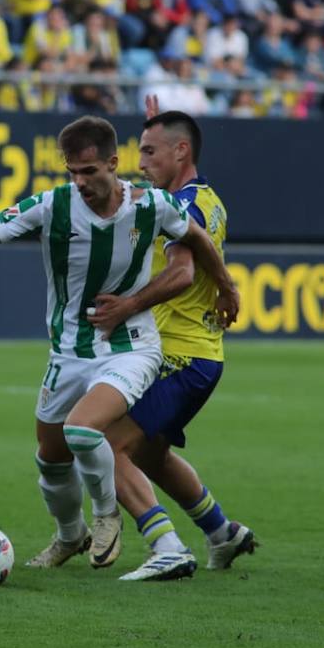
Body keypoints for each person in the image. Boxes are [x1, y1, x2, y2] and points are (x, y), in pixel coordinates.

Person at [0, 117, 238, 571]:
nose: (80, 182)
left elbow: (196, 239)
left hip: (131, 347)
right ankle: (70, 535)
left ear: (112, 163)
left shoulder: (152, 204)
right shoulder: (52, 206)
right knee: (50, 457)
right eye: (72, 172)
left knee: (85, 430)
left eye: (89, 171)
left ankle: (108, 516)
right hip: (68, 352)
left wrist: (227, 286)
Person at [99, 100, 257, 581]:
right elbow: (206, 260)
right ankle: (221, 532)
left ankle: (164, 544)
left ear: (181, 151)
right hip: (195, 356)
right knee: (150, 454)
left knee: (102, 443)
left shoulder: (184, 205)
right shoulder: (203, 200)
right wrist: (228, 284)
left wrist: (128, 306)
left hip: (181, 355)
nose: (140, 162)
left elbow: (182, 273)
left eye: (149, 152)